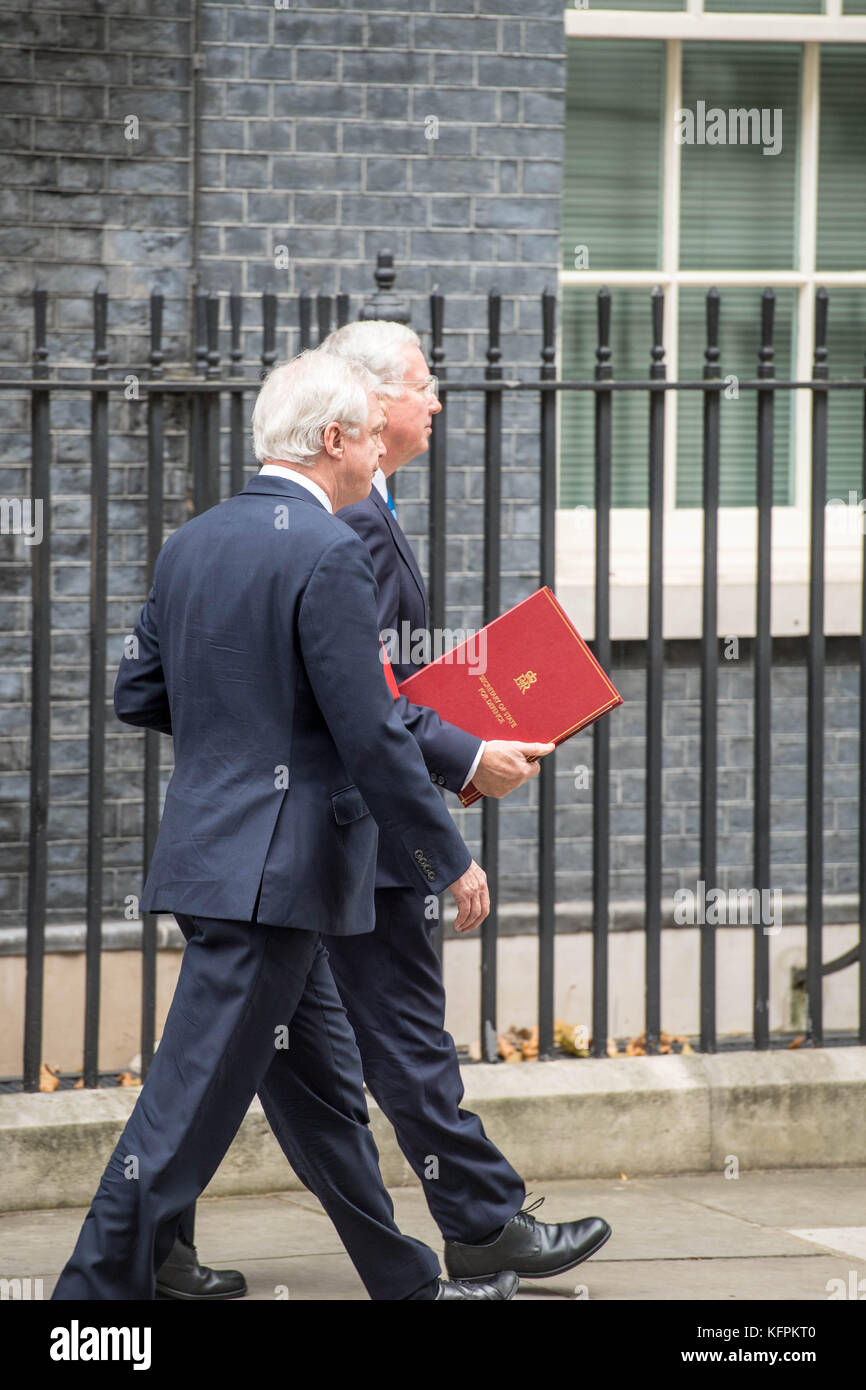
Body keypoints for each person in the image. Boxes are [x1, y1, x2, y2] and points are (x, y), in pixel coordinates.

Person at [52, 350, 517, 1302]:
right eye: (369, 444)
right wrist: (447, 859)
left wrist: (246, 728)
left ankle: (406, 1282)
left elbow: (137, 690)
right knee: (182, 1111)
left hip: (223, 859)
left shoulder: (195, 542)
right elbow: (376, 735)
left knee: (320, 1093)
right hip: (277, 875)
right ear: (335, 440)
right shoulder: (329, 549)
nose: (377, 460)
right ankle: (87, 1307)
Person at [320, 319, 612, 1282]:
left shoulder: (370, 503)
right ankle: (485, 1223)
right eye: (422, 383)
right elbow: (367, 701)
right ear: (368, 402)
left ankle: (151, 1234)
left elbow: (385, 686)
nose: (438, 399)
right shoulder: (353, 517)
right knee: (396, 1032)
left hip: (342, 824)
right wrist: (465, 757)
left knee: (246, 1053)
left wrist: (464, 747)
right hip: (360, 827)